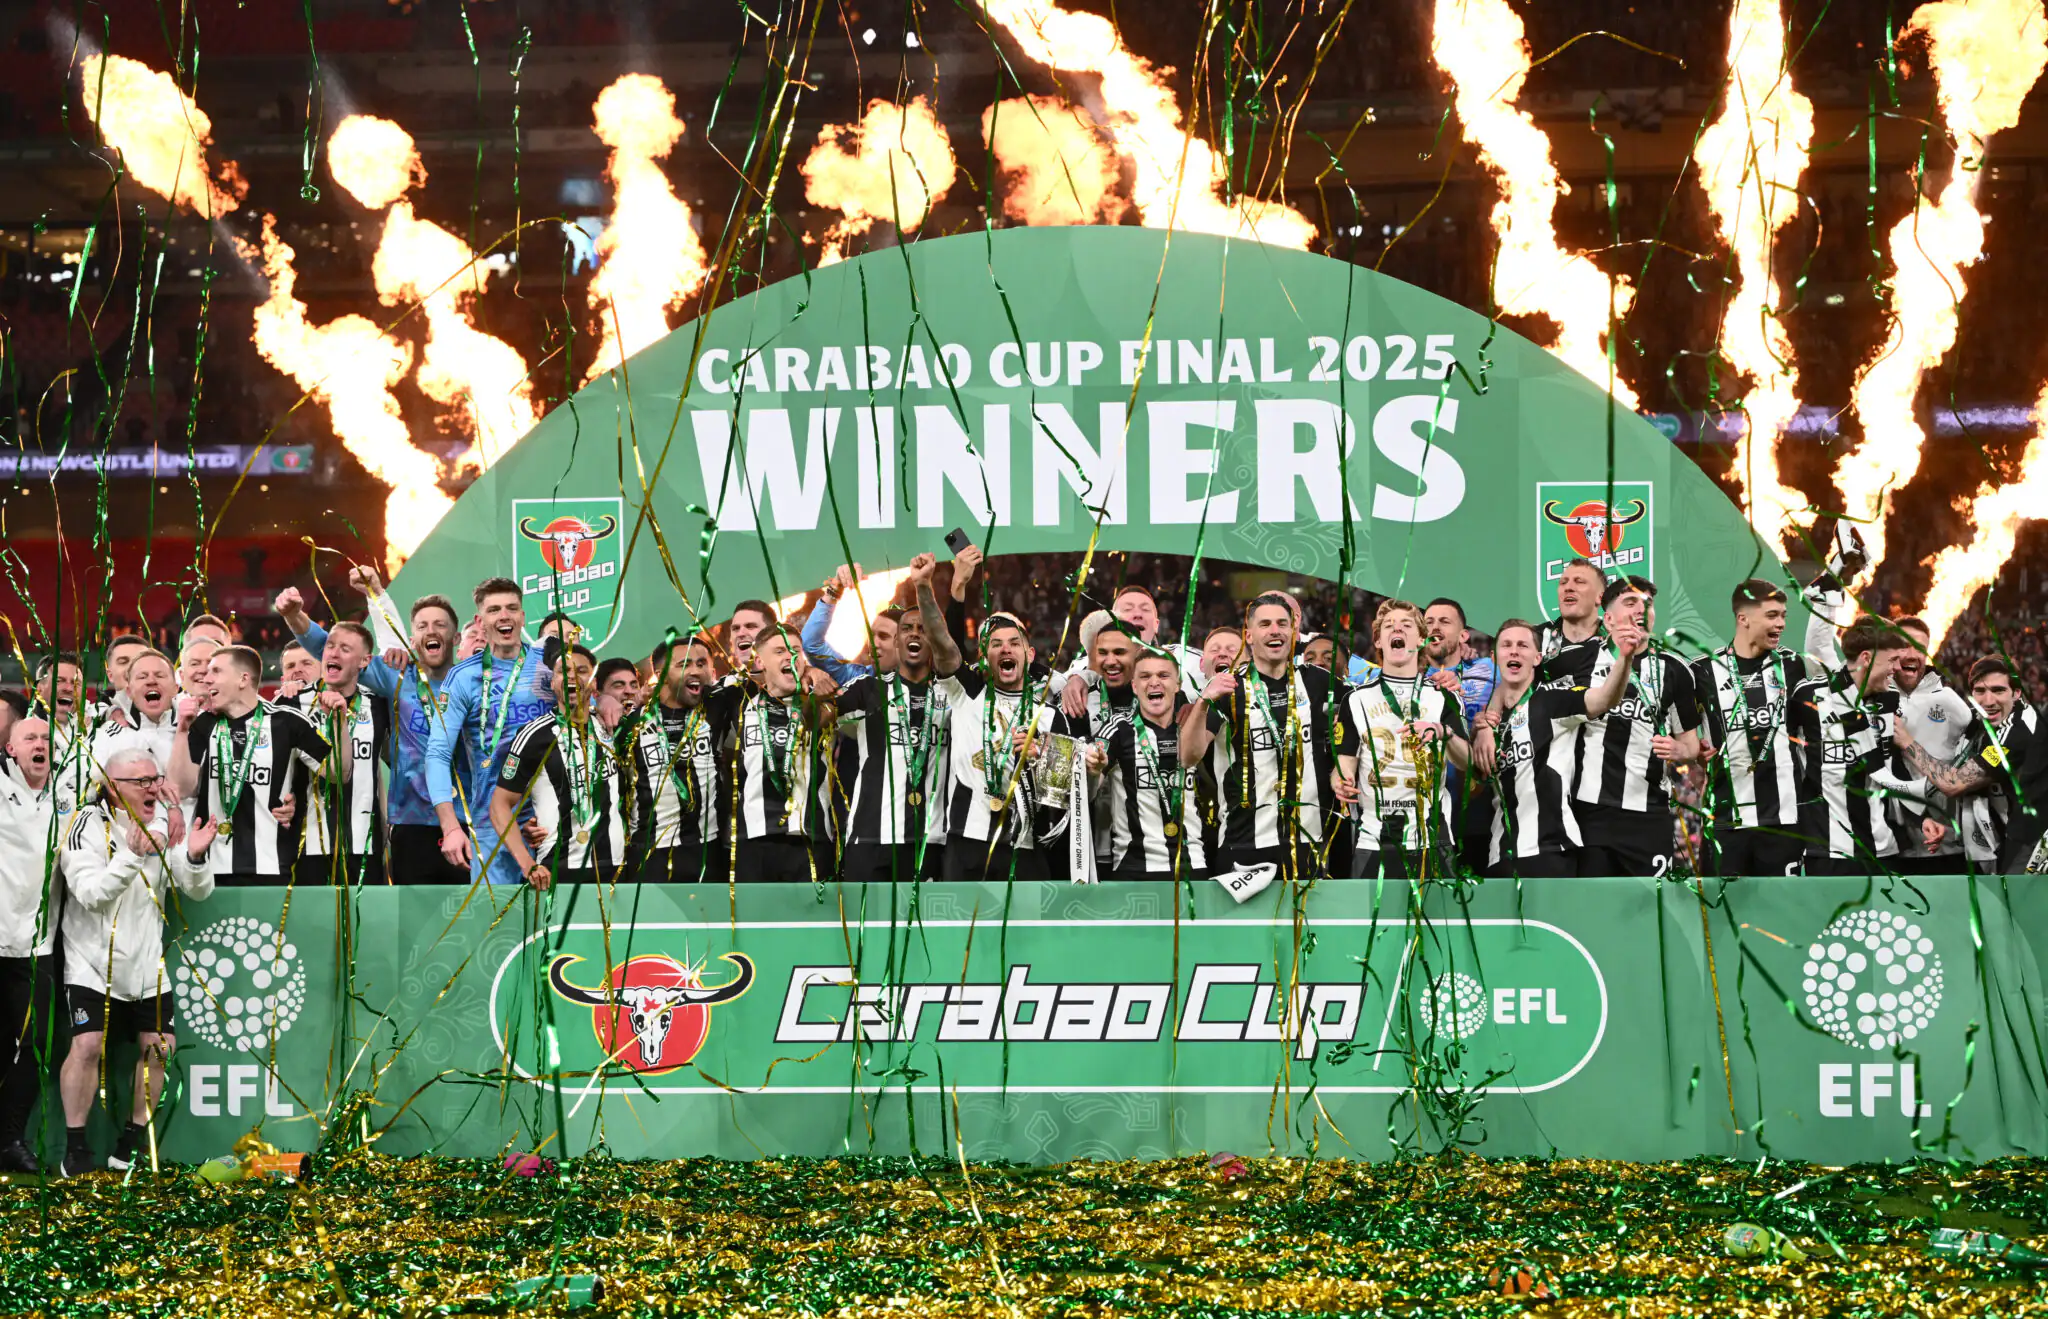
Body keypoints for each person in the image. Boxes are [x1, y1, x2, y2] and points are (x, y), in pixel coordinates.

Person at [58, 746, 214, 1176]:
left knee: (161, 1048)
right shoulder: (84, 824)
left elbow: (197, 890)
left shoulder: (167, 820)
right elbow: (90, 894)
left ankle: (131, 1143)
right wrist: (133, 855)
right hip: (91, 962)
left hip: (147, 965)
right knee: (87, 1046)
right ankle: (75, 1148)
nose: (152, 788)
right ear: (112, 788)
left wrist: (195, 857)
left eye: (155, 778)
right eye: (140, 781)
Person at [282, 571, 468, 884]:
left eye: (440, 625)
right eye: (422, 626)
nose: (431, 631)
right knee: (412, 912)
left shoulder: (473, 682)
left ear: (456, 637)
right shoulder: (397, 678)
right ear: (412, 640)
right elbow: (328, 648)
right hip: (411, 823)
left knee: (473, 911)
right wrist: (293, 615)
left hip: (469, 819)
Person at [1180, 592, 1339, 883]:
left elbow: (1362, 719)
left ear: (1294, 633)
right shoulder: (1228, 689)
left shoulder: (1320, 682)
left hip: (1308, 842)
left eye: (1282, 623)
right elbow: (1188, 756)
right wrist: (1203, 702)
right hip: (1243, 844)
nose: (1274, 630)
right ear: (1249, 636)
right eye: (1265, 624)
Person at [926, 557, 1053, 883]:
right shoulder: (967, 693)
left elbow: (1063, 796)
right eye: (995, 644)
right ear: (984, 656)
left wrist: (1043, 761)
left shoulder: (1053, 714)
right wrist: (952, 588)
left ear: (1030, 655)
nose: (1005, 649)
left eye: (1014, 643)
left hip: (1025, 846)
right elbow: (944, 645)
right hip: (966, 842)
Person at [1568, 578, 1703, 877]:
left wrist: (1679, 750)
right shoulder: (1578, 660)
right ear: (1608, 619)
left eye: (1648, 605)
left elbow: (1691, 745)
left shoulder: (1675, 669)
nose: (1641, 610)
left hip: (1650, 813)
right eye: (1630, 603)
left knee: (1651, 905)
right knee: (1596, 902)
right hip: (1591, 812)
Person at [426, 578, 556, 886]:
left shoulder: (550, 666)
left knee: (559, 916)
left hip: (550, 823)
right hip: (492, 828)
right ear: (480, 621)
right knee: (498, 918)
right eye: (494, 609)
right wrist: (450, 827)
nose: (504, 616)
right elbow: (437, 753)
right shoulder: (463, 677)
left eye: (512, 608)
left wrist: (604, 699)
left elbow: (584, 718)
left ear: (522, 616)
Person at [170, 646, 333, 885]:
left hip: (272, 867)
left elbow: (338, 774)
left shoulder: (287, 722)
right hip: (210, 868)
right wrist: (183, 729)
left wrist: (338, 721)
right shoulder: (203, 724)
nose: (207, 679)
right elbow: (182, 788)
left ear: (243, 679)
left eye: (216, 671)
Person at [1471, 622, 1621, 878]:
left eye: (1523, 645)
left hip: (1551, 849)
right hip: (1499, 854)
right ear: (1495, 657)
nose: (1514, 651)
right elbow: (1475, 788)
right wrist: (1481, 729)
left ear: (1537, 658)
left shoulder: (1552, 700)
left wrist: (1624, 658)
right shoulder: (1490, 722)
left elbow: (1604, 699)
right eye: (1506, 645)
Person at [1334, 600, 1470, 879]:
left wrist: (1443, 732)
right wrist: (1340, 781)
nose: (1397, 629)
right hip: (1373, 839)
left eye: (1407, 625)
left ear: (1421, 640)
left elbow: (1468, 763)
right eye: (1389, 626)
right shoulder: (1355, 699)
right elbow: (1344, 765)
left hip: (1432, 838)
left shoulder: (1444, 696)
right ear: (1378, 641)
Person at [1691, 580, 1818, 876]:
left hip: (1784, 820)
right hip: (1725, 820)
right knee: (1723, 906)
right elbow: (1680, 731)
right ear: (1743, 618)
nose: (1781, 623)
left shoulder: (1792, 665)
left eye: (1783, 615)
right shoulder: (1702, 670)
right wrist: (1693, 750)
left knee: (1782, 905)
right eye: (1772, 615)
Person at [833, 585, 953, 883]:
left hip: (930, 841)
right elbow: (820, 715)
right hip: (870, 838)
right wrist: (813, 682)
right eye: (907, 628)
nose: (915, 634)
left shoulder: (953, 695)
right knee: (866, 917)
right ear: (897, 641)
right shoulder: (868, 689)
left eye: (923, 629)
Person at [491, 646, 628, 891]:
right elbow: (499, 805)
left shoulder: (614, 727)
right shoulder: (534, 735)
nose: (572, 676)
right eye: (563, 671)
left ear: (594, 683)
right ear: (553, 683)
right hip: (559, 869)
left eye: (581, 670)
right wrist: (527, 864)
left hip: (618, 868)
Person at [1797, 620, 1927, 876]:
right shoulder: (1809, 696)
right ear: (1867, 658)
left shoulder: (1889, 700)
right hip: (1829, 852)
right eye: (1892, 660)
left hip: (1884, 851)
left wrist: (1922, 819)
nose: (1897, 668)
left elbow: (1890, 764)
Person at [1893, 656, 2041, 873]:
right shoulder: (1976, 720)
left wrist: (1907, 742)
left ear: (2016, 693)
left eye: (1998, 690)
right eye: (1980, 691)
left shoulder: (2018, 730)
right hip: (1993, 846)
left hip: (2029, 846)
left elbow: (1954, 783)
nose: (1988, 701)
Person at [619, 635, 735, 883]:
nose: (695, 671)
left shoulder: (718, 705)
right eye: (684, 664)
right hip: (650, 855)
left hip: (708, 852)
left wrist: (812, 670)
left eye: (701, 664)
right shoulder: (630, 724)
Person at [0, 717, 62, 1172]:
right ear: (10, 749)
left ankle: (9, 1138)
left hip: (38, 944)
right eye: (29, 738)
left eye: (45, 738)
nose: (39, 744)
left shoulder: (68, 793)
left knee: (41, 1044)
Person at [291, 623, 392, 885]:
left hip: (365, 845)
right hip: (305, 844)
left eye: (345, 649)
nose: (333, 653)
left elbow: (396, 763)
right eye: (329, 646)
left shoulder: (380, 706)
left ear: (364, 661)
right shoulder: (292, 703)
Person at [730, 629, 831, 882]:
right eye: (780, 651)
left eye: (796, 651)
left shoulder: (823, 704)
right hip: (754, 841)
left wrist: (814, 674)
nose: (790, 656)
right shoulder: (740, 705)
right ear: (760, 661)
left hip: (812, 840)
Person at [1100, 650, 1203, 880]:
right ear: (1134, 686)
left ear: (1177, 684)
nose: (1154, 682)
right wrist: (1093, 768)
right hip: (1134, 866)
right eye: (1145, 676)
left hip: (1194, 862)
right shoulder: (1118, 728)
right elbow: (1088, 789)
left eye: (1163, 675)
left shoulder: (1194, 726)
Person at [90, 650, 179, 774]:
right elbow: (93, 778)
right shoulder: (110, 734)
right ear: (129, 692)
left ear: (175, 688)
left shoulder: (195, 728)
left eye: (160, 675)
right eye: (142, 677)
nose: (151, 681)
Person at [1422, 598, 1498, 726]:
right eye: (1429, 622)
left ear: (1463, 636)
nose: (1435, 627)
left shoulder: (1489, 668)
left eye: (1444, 622)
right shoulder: (1412, 677)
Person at [1536, 559, 1607, 678]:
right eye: (1563, 582)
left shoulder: (1617, 641)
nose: (1568, 587)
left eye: (1579, 582)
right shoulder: (1535, 639)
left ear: (1600, 597)